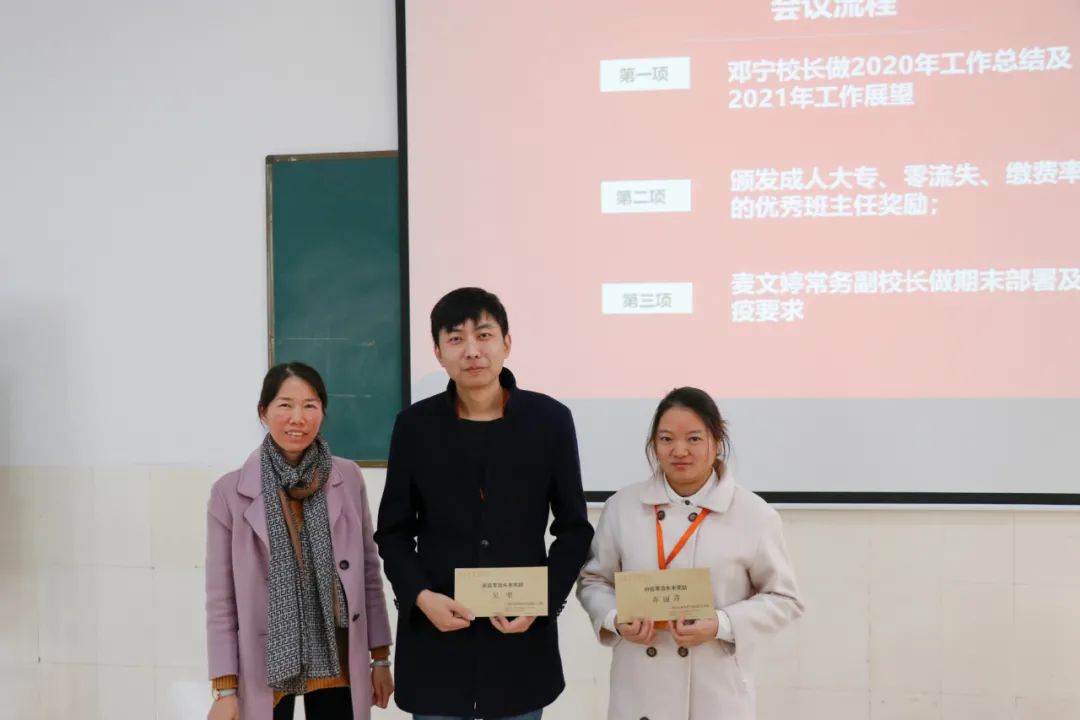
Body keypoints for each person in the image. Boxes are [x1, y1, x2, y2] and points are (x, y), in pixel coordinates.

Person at [375, 287, 594, 720]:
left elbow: (574, 529)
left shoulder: (549, 421)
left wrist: (541, 602)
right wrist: (421, 597)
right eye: (456, 339)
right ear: (438, 352)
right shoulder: (415, 426)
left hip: (519, 643)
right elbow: (394, 532)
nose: (472, 351)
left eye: (484, 335)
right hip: (437, 642)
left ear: (506, 343)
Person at [577, 387, 803, 720]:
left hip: (715, 690)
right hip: (641, 689)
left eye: (694, 439)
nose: (679, 450)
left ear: (717, 440)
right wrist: (614, 618)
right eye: (666, 439)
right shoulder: (622, 507)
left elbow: (784, 598)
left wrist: (722, 623)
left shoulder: (754, 514)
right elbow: (594, 580)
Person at [205, 362, 394, 720]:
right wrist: (225, 687)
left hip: (338, 656)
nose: (298, 418)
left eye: (310, 405)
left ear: (323, 412)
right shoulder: (229, 492)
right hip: (266, 663)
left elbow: (368, 573)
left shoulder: (348, 477)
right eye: (285, 405)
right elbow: (221, 599)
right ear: (264, 412)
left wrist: (380, 658)